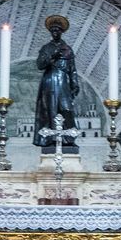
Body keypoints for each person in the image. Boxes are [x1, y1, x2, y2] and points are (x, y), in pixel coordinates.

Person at [33, 15, 80, 152]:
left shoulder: (67, 49)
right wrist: (51, 56)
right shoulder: (46, 48)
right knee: (50, 109)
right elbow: (40, 65)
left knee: (66, 109)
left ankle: (68, 139)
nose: (55, 32)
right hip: (49, 81)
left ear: (61, 32)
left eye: (57, 30)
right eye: (52, 30)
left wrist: (75, 84)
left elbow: (72, 69)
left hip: (63, 81)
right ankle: (50, 139)